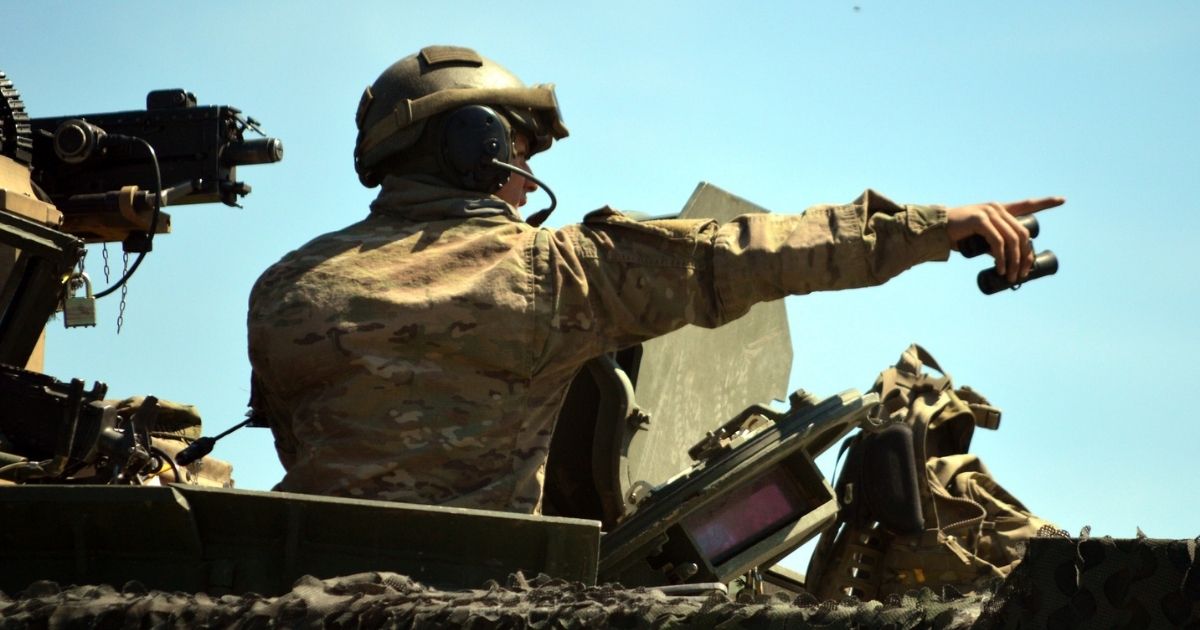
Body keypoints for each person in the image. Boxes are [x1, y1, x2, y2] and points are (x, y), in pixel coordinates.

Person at [246, 46, 1063, 514]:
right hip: (474, 593)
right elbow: (748, 251)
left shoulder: (285, 289)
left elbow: (293, 436)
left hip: (302, 584)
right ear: (476, 146)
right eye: (521, 156)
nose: (528, 183)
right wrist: (933, 226)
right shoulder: (555, 276)